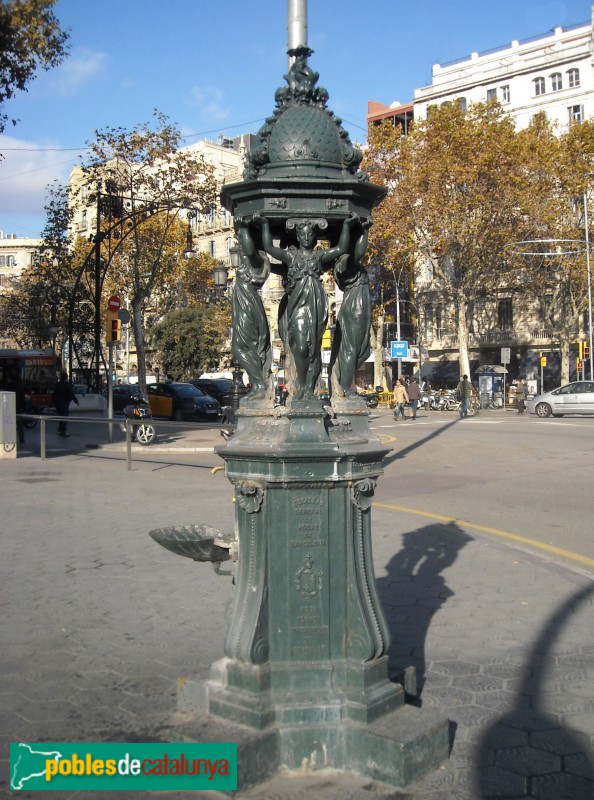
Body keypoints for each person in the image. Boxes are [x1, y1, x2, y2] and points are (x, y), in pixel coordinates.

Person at [257, 213, 357, 401]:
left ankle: (310, 389)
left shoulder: (318, 256)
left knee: (313, 350)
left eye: (310, 235)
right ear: (298, 236)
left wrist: (346, 225)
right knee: (301, 348)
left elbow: (342, 247)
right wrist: (263, 224)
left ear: (313, 236)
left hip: (316, 307)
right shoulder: (291, 256)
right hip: (298, 309)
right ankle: (302, 385)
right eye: (302, 234)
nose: (306, 238)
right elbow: (269, 247)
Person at [52, 372, 79, 437]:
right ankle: (62, 431)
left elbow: (54, 394)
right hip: (64, 403)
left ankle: (60, 430)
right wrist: (76, 401)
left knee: (61, 417)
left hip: (57, 403)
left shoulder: (57, 384)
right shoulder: (67, 384)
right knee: (64, 417)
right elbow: (71, 394)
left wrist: (54, 402)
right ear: (66, 377)